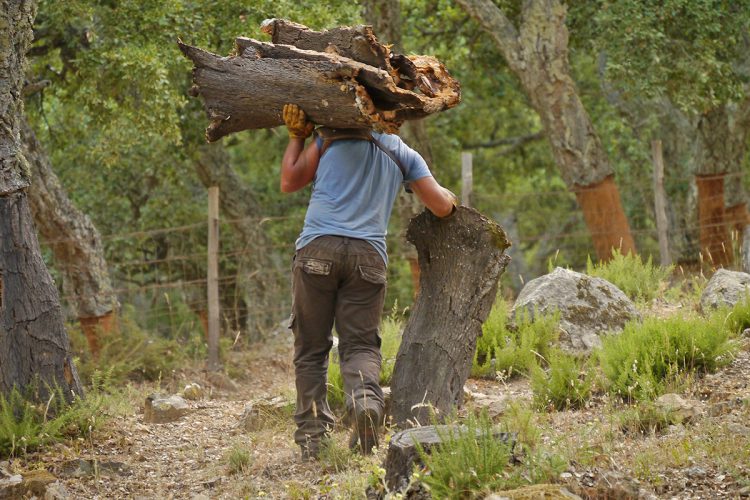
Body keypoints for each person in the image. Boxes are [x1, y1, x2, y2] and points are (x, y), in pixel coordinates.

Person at [280, 103, 457, 459]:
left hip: (318, 249)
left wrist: (297, 138)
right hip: (368, 258)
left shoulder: (329, 137)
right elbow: (440, 206)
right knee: (360, 346)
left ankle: (314, 440)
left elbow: (289, 182)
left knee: (311, 349)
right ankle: (365, 404)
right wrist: (452, 200)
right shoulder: (404, 154)